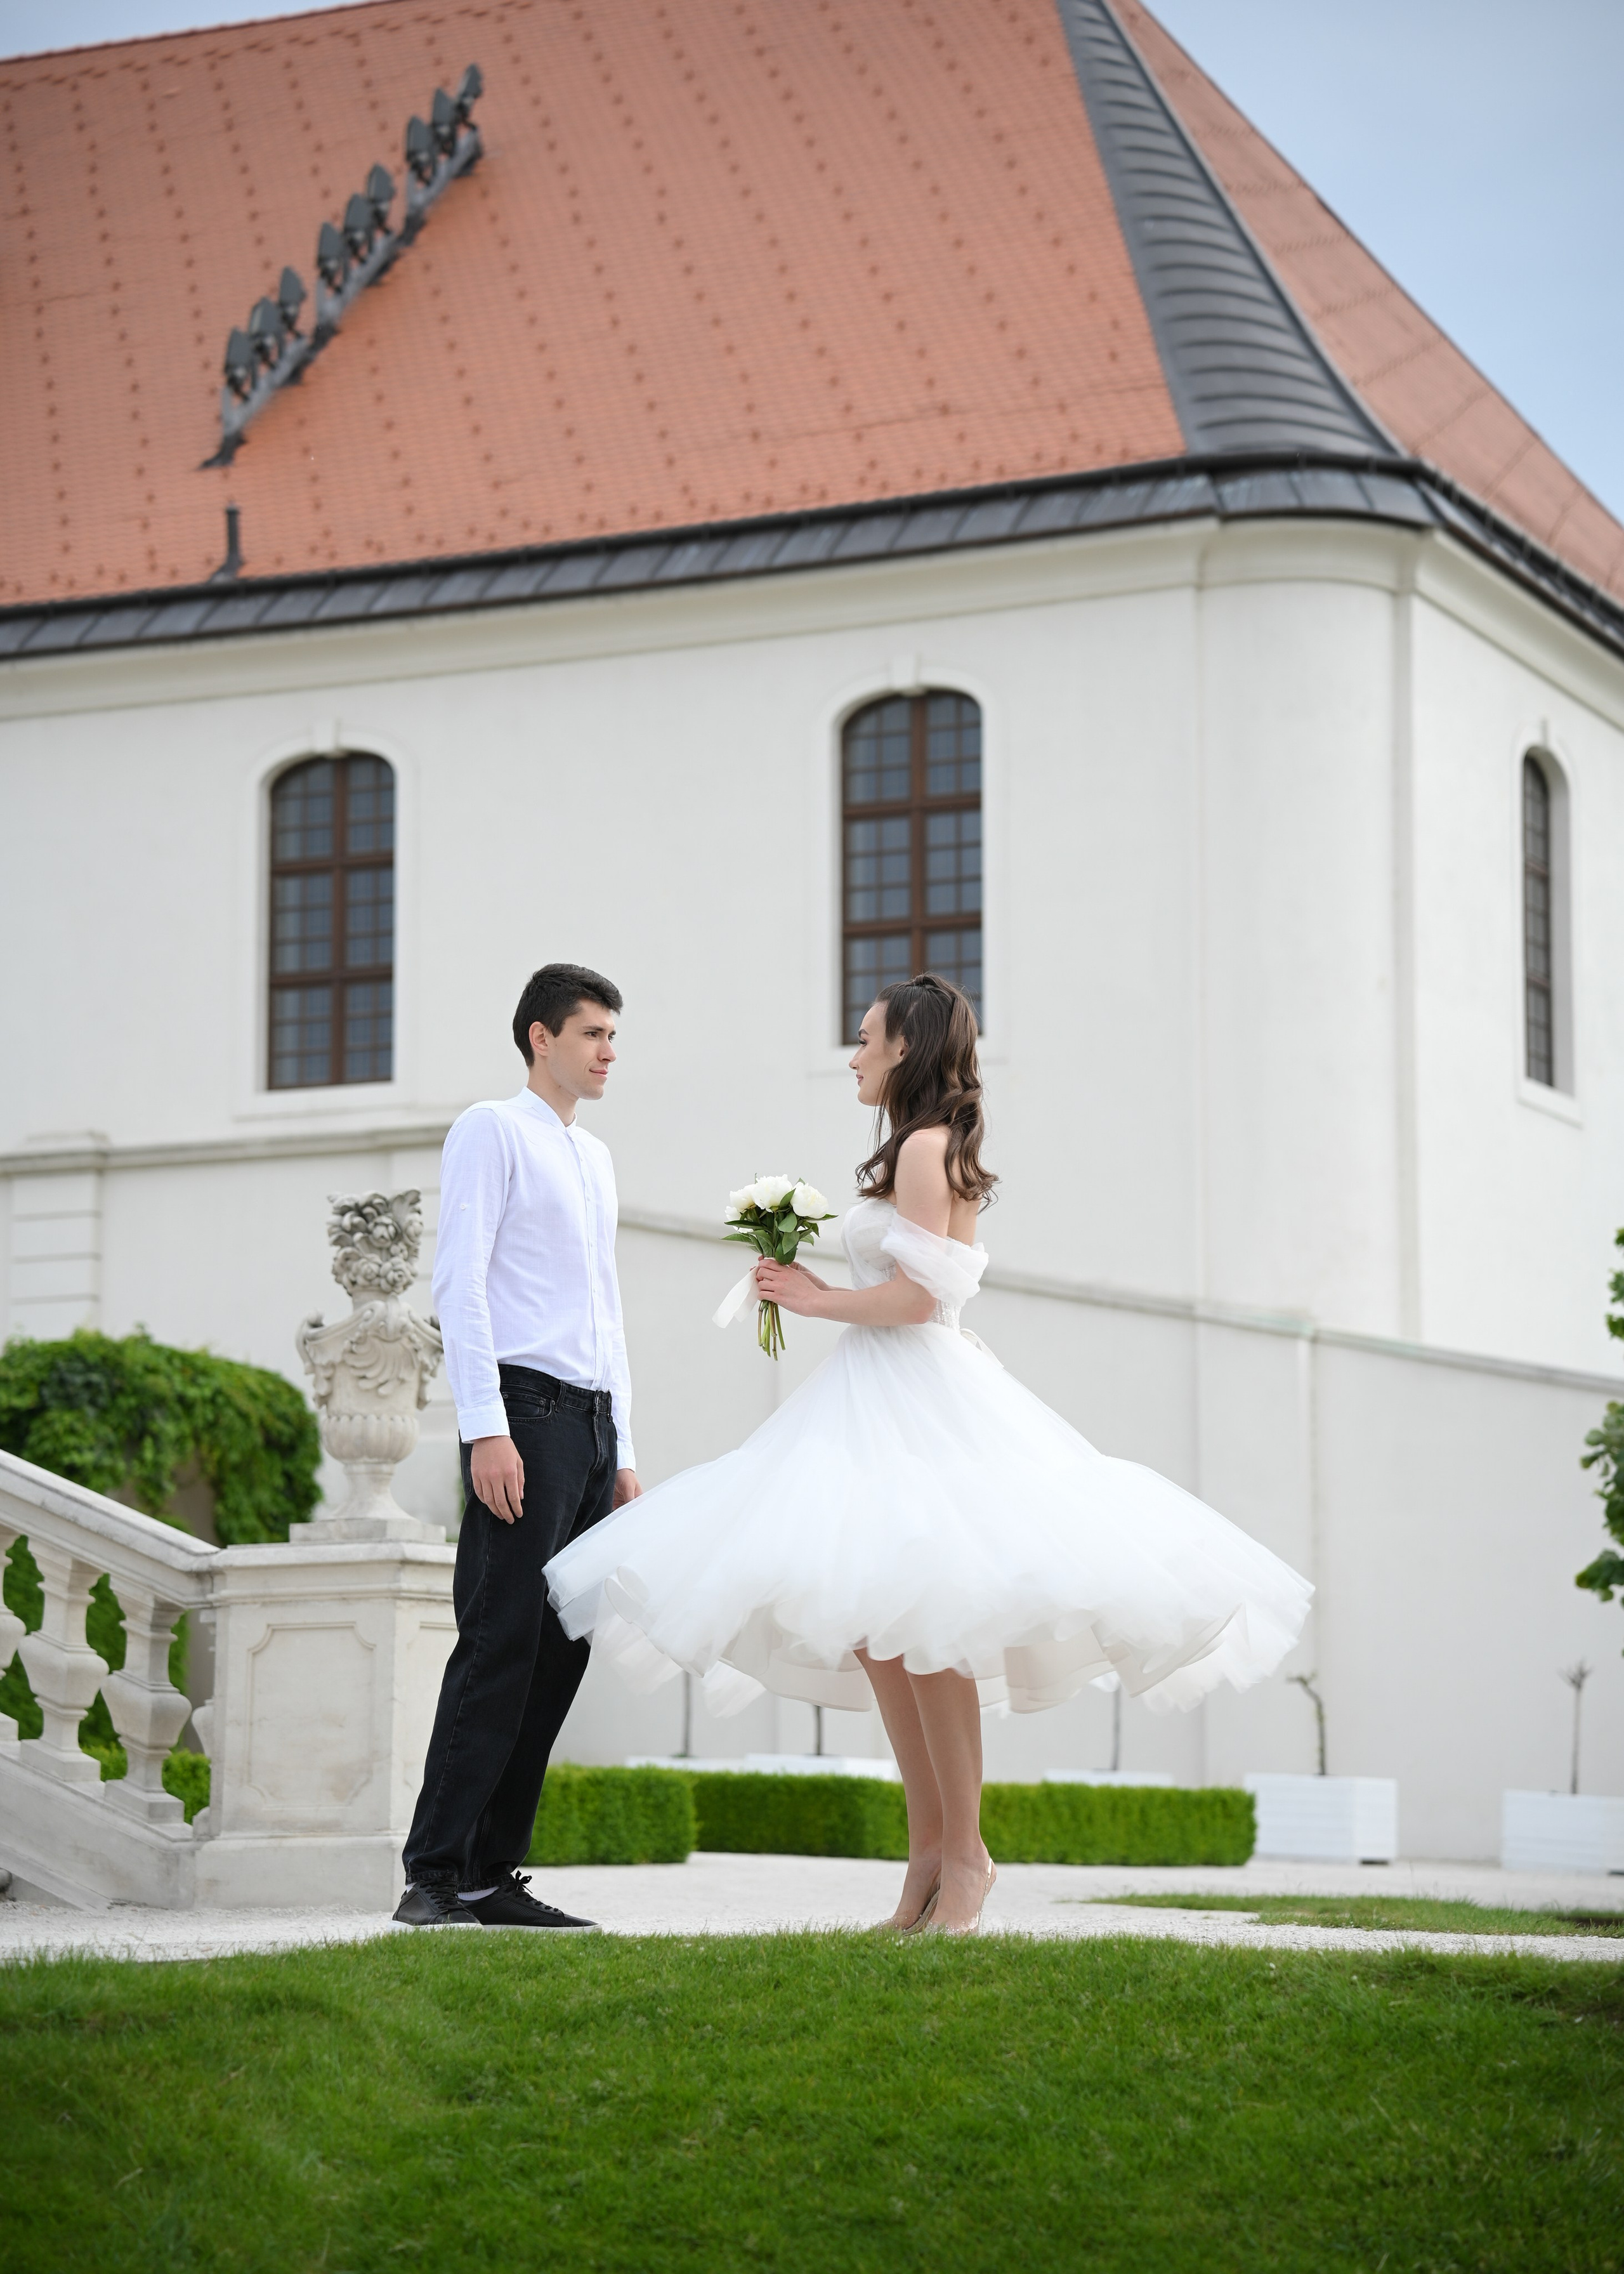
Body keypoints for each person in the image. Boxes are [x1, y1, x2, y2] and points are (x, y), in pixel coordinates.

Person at [545, 972, 1312, 1937]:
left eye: (866, 1038)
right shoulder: (916, 1146)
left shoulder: (924, 1146)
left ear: (905, 1046)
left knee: (927, 1628)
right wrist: (816, 1288)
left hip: (917, 1399)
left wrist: (816, 1299)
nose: (854, 1056)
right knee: (882, 1631)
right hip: (874, 1396)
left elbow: (920, 1299)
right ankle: (924, 1866)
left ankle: (966, 1858)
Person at [395, 963, 641, 1931]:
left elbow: (607, 1309)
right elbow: (459, 1282)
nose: (609, 1051)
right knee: (500, 1640)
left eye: (613, 1035)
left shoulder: (597, 1158)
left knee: (559, 1651)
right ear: (541, 1038)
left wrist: (623, 1448)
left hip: (590, 1425)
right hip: (525, 1414)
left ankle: (491, 1874)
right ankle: (432, 1875)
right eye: (592, 1034)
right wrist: (485, 1427)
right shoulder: (490, 1130)